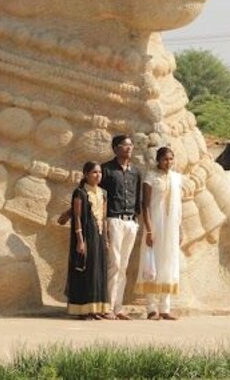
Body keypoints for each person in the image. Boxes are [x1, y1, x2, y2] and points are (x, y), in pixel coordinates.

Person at [134, 146, 183, 320]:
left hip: (171, 227)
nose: (168, 162)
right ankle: (151, 308)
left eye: (171, 159)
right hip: (155, 225)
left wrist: (180, 228)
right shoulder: (151, 177)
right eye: (165, 159)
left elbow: (178, 206)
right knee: (151, 262)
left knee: (169, 262)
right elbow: (145, 205)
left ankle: (165, 308)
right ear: (158, 160)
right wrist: (149, 229)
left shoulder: (177, 178)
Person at [100, 134, 142, 320]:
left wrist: (137, 220)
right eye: (125, 146)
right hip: (113, 219)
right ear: (115, 148)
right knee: (113, 264)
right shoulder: (106, 170)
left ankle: (118, 307)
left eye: (131, 145)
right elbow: (100, 197)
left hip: (130, 221)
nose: (129, 149)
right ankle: (107, 306)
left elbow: (138, 197)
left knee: (123, 266)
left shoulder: (135, 172)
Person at [65, 161, 111, 319]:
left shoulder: (103, 193)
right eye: (94, 172)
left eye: (99, 172)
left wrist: (106, 238)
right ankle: (82, 310)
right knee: (86, 270)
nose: (98, 175)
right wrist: (80, 240)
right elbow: (77, 217)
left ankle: (95, 308)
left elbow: (104, 218)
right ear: (86, 174)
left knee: (98, 270)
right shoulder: (80, 193)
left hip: (98, 235)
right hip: (86, 234)